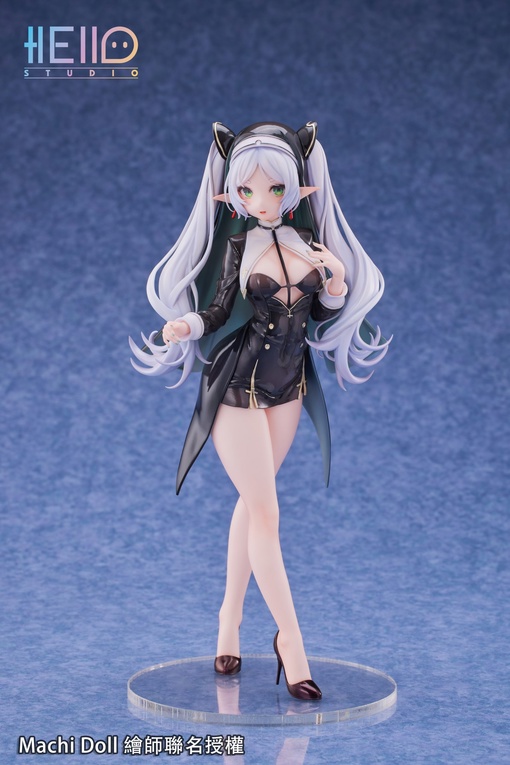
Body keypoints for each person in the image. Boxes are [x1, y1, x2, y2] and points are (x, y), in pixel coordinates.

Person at [130, 122, 389, 700]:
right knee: (267, 514)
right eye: (247, 191)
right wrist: (184, 326)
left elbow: (323, 311)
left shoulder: (308, 242)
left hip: (289, 385)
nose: (261, 201)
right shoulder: (239, 247)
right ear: (233, 195)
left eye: (273, 189)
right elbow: (219, 310)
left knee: (255, 503)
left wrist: (337, 277)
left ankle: (228, 621)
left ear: (296, 187)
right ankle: (291, 643)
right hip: (237, 386)